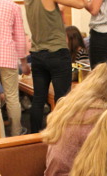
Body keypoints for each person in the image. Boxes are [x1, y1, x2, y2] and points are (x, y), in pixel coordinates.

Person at [24, 0, 85, 133]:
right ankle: (61, 135)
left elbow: (49, 11)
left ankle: (34, 137)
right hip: (56, 52)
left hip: (37, 54)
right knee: (62, 98)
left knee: (38, 99)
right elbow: (81, 4)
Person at [0, 0, 30, 137]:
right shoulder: (13, 6)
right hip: (7, 56)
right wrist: (24, 61)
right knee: (12, 98)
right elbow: (20, 37)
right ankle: (16, 134)